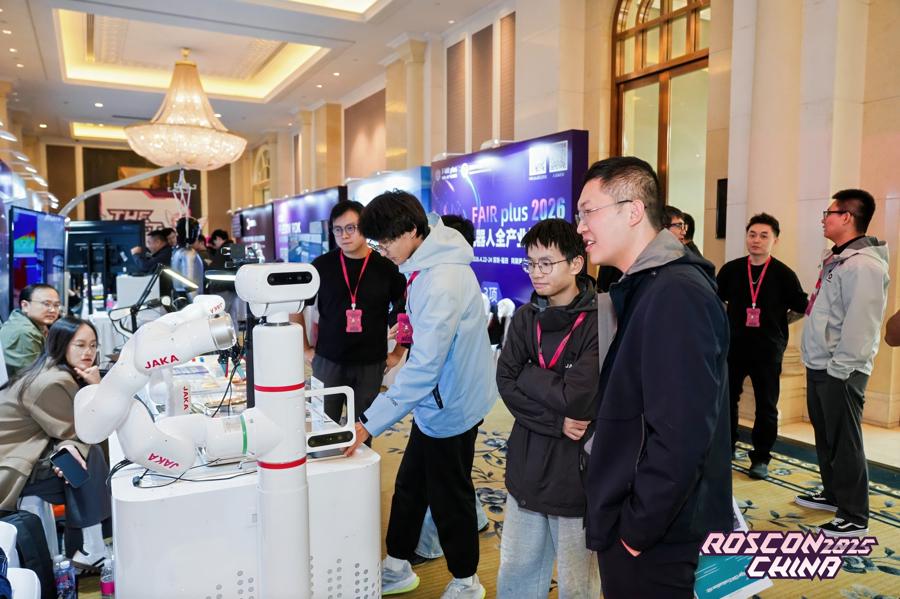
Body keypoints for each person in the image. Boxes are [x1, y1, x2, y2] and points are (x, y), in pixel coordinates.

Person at [576, 156, 732, 598]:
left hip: (658, 534)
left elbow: (682, 434)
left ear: (632, 211)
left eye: (588, 212)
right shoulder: (648, 284)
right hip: (643, 518)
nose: (581, 227)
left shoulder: (676, 293)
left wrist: (637, 529)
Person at [342, 190, 496, 599]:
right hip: (440, 400)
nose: (382, 251)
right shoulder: (428, 261)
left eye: (385, 242)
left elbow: (426, 368)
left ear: (412, 230)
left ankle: (467, 582)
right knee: (411, 484)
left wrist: (368, 422)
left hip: (450, 406)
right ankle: (397, 564)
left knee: (450, 497)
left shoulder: (441, 279)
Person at [495, 218, 601, 599]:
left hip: (575, 473)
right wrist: (556, 421)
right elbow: (504, 381)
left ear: (576, 263)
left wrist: (527, 373)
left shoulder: (599, 321)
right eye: (531, 263)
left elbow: (577, 398)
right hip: (527, 463)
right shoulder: (526, 317)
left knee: (577, 584)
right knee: (517, 571)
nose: (536, 272)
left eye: (546, 263)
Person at [796, 189, 889, 537]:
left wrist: (840, 369)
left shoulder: (864, 265)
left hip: (841, 369)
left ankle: (854, 515)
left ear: (847, 217)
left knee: (845, 440)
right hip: (821, 363)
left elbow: (861, 325)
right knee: (826, 436)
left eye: (829, 213)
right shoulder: (837, 258)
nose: (824, 219)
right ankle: (833, 493)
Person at [0, 316, 112, 570]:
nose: (88, 352)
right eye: (80, 345)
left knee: (77, 456)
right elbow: (83, 431)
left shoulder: (54, 369)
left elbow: (72, 431)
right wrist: (97, 387)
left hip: (26, 450)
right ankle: (90, 545)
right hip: (13, 466)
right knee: (87, 457)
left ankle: (88, 542)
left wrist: (69, 444)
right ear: (61, 345)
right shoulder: (53, 381)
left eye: (93, 345)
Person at [412, 214, 489, 565]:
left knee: (446, 481)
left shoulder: (447, 281)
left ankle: (433, 548)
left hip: (451, 403)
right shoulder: (450, 274)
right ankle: (475, 519)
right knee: (451, 472)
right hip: (457, 399)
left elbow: (432, 362)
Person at [293, 200, 408, 432]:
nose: (344, 235)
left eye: (350, 228)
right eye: (338, 229)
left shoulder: (386, 267)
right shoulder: (321, 266)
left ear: (364, 227)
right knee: (323, 428)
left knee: (364, 428)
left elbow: (407, 310)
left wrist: (398, 353)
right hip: (328, 361)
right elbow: (295, 306)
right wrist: (304, 348)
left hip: (371, 365)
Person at [716, 213, 808, 479]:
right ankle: (726, 447)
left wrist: (779, 323)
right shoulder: (732, 269)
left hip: (767, 350)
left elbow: (802, 306)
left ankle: (761, 457)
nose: (756, 240)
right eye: (752, 234)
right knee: (726, 401)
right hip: (734, 347)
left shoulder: (783, 274)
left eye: (764, 235)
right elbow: (717, 299)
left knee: (766, 406)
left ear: (775, 240)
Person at [1, 284, 61, 378]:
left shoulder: (37, 324)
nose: (53, 310)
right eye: (46, 304)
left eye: (56, 305)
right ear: (25, 305)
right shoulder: (24, 332)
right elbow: (33, 376)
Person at [170, 217, 205, 299]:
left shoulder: (177, 251)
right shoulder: (189, 253)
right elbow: (188, 284)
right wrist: (196, 302)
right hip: (190, 297)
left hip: (180, 296)